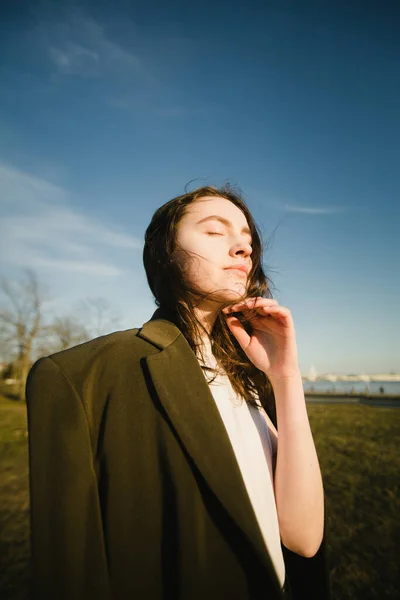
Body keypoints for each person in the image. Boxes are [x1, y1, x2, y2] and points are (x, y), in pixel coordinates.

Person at [26, 185, 330, 599]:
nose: (243, 247)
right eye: (214, 231)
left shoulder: (255, 379)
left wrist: (286, 377)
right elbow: (71, 574)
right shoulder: (83, 376)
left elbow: (304, 541)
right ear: (165, 251)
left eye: (246, 238)